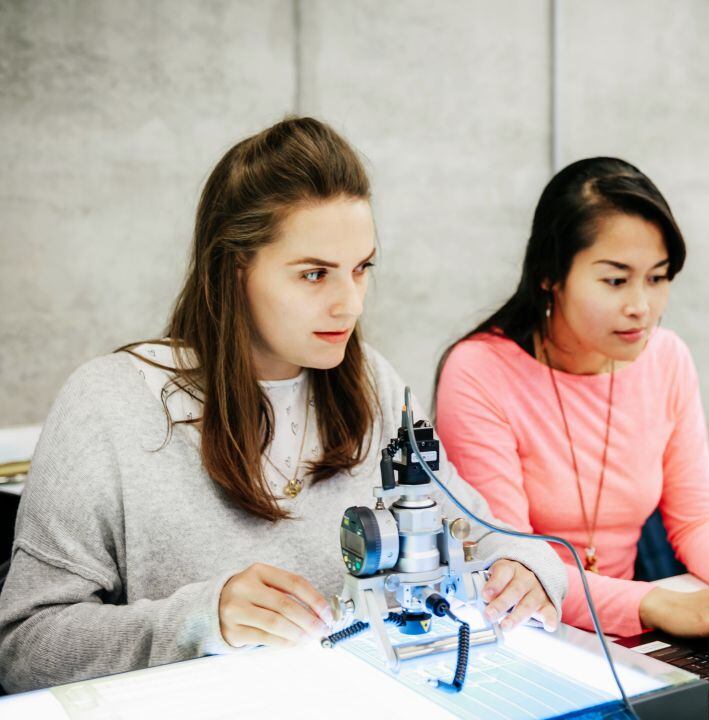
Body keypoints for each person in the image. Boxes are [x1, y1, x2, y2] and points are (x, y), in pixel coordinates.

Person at [0, 118, 565, 694]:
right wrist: (200, 619)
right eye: (314, 274)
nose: (349, 304)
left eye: (361, 268)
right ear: (234, 268)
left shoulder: (374, 380)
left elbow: (479, 528)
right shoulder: (108, 405)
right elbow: (22, 648)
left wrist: (528, 570)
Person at [435, 157, 709, 650]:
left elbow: (697, 521)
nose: (641, 307)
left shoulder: (666, 359)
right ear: (549, 275)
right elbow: (511, 563)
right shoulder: (479, 371)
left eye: (658, 278)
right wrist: (654, 604)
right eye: (616, 280)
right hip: (521, 638)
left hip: (628, 639)